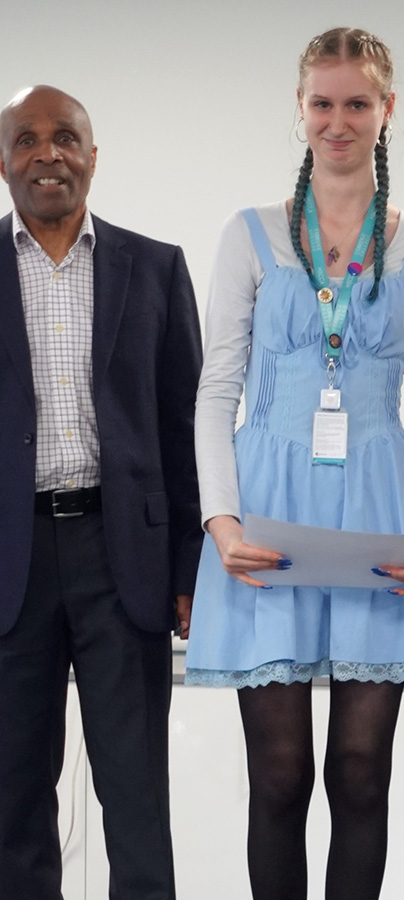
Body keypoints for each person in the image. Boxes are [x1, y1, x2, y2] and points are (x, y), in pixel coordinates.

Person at [184, 27, 404, 900]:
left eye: (356, 103)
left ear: (387, 111)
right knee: (277, 776)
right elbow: (215, 389)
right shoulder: (252, 234)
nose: (337, 121)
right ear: (300, 110)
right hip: (263, 505)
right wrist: (219, 521)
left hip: (379, 513)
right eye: (321, 103)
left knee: (359, 775)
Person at [0, 85, 202, 900]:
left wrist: (191, 565)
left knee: (136, 797)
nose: (47, 154)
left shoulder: (154, 267)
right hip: (11, 564)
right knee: (13, 798)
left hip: (124, 555)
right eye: (26, 140)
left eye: (65, 138)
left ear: (92, 155)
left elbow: (188, 425)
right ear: (4, 160)